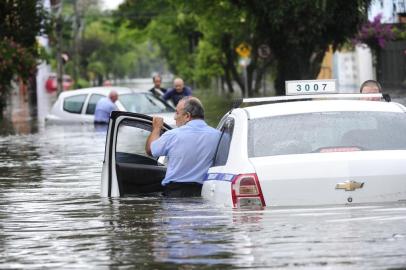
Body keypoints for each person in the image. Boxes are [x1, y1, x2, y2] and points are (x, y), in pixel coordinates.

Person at [145, 96, 221, 197]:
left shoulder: (172, 135)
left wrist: (156, 128)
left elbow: (150, 150)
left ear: (187, 116)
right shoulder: (219, 136)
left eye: (177, 113)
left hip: (175, 194)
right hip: (204, 193)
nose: (174, 117)